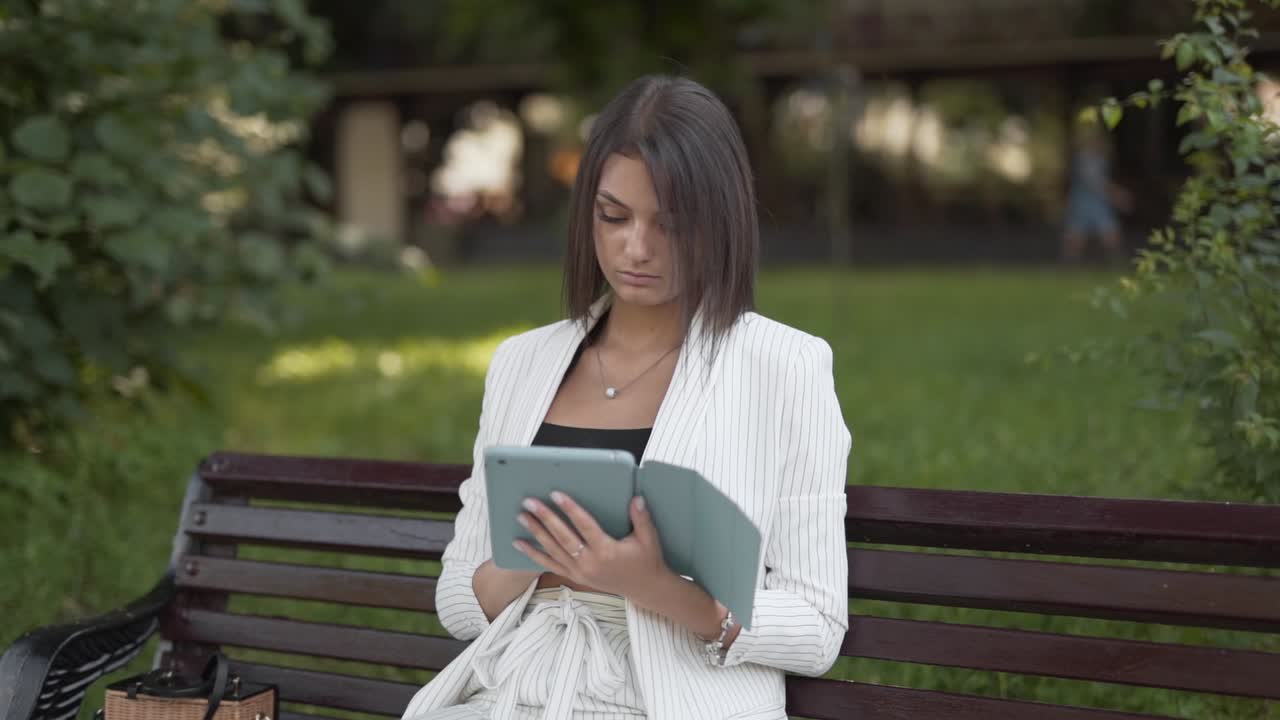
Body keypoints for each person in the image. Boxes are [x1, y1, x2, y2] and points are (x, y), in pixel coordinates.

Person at [400, 75, 852, 720]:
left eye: (670, 225)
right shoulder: (523, 363)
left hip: (665, 699)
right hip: (512, 689)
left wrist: (657, 589)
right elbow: (458, 603)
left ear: (720, 220)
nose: (635, 248)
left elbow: (817, 626)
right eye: (613, 216)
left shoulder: (784, 367)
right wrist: (539, 555)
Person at [1061, 125, 1133, 264]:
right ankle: (1068, 265)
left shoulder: (1100, 160)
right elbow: (1094, 182)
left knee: (1110, 232)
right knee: (1076, 235)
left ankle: (1117, 263)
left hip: (1099, 203)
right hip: (1083, 203)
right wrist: (1117, 195)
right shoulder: (1084, 159)